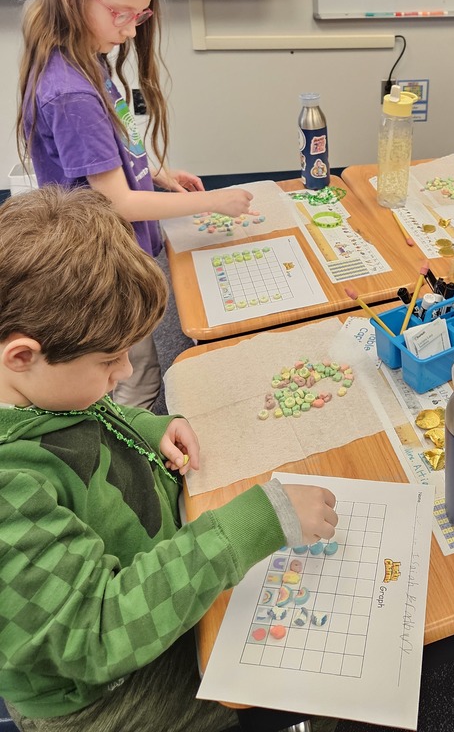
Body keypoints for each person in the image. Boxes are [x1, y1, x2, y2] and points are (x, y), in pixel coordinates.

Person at [0, 185, 338, 732]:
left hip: (141, 589)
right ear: (23, 355)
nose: (127, 375)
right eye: (110, 361)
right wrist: (248, 525)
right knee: (308, 681)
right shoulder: (8, 492)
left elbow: (79, 423)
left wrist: (146, 426)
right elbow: (100, 627)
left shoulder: (31, 390)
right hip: (104, 692)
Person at [16, 0, 254, 409]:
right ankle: (142, 463)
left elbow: (114, 146)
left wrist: (158, 174)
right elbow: (118, 203)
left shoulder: (88, 52)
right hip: (105, 263)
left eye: (140, 14)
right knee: (134, 378)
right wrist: (211, 202)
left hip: (117, 251)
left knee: (134, 364)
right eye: (119, 12)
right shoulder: (71, 91)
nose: (130, 29)